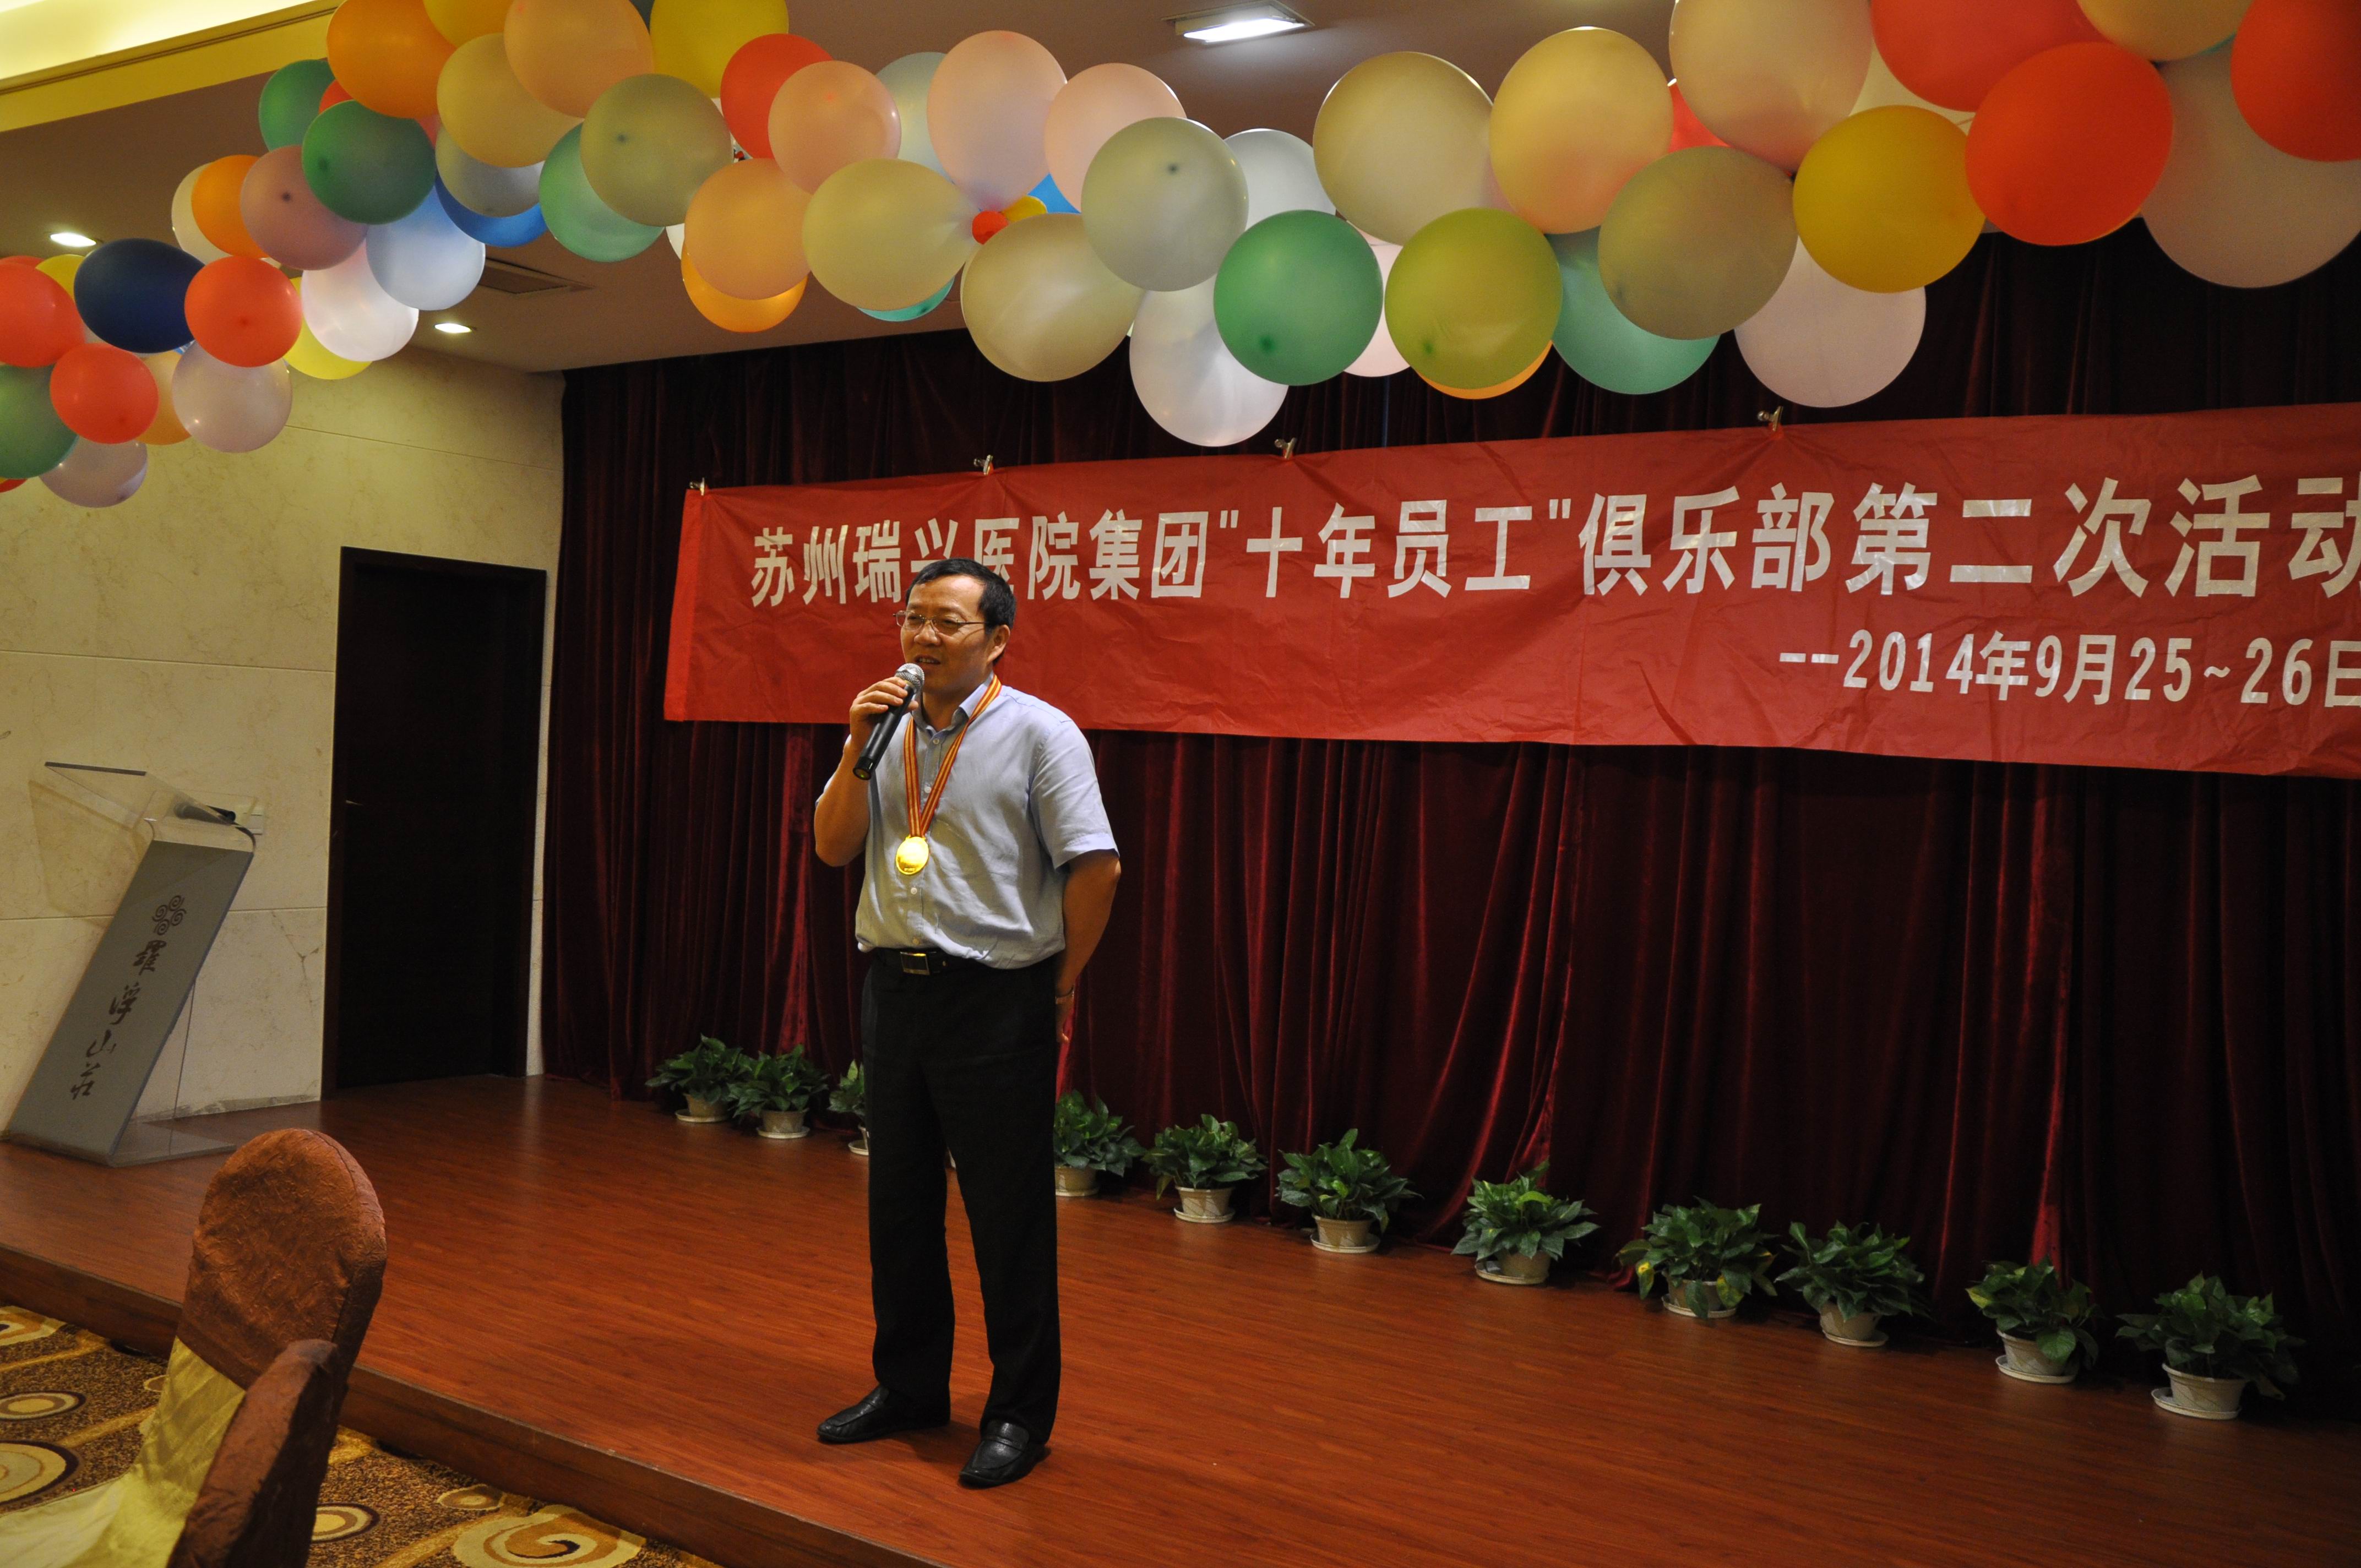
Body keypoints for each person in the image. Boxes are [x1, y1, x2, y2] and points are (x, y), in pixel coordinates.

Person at [810, 557, 1122, 1489]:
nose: (924, 637)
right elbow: (832, 846)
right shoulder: (883, 729)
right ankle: (909, 1389)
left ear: (997, 641)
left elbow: (1097, 867)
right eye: (913, 619)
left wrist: (1060, 986)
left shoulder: (1040, 733)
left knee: (1006, 1217)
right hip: (895, 993)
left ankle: (1020, 1415)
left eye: (947, 623)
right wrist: (852, 747)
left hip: (997, 999)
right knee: (899, 1205)